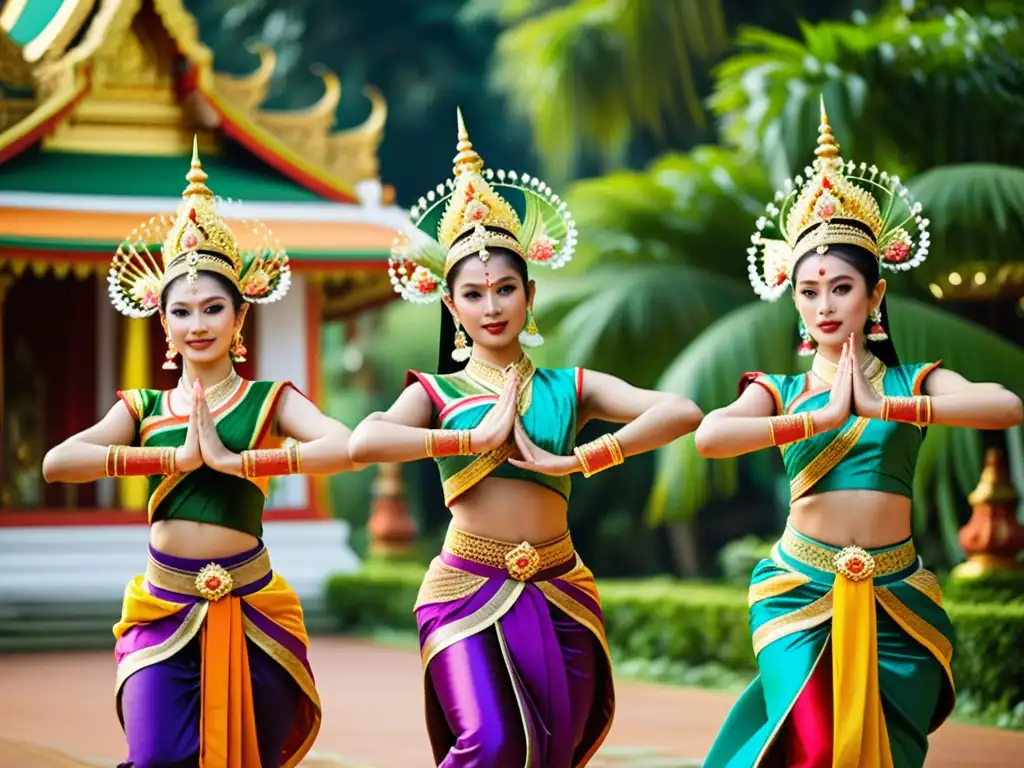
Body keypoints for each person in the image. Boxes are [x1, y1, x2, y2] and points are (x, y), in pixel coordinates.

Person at [348, 110, 703, 767]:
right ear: (452, 308)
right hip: (463, 585)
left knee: (553, 752)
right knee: (492, 743)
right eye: (474, 294)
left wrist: (584, 455)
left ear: (529, 294)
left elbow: (681, 410)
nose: (492, 306)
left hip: (560, 583)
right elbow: (363, 442)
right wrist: (466, 440)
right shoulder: (434, 392)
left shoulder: (571, 386)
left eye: (505, 289)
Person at [697, 99, 1024, 767]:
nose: (824, 305)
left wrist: (885, 409)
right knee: (815, 747)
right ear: (793, 298)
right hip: (798, 590)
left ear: (874, 296)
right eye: (809, 290)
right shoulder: (778, 391)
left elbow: (1006, 404)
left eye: (841, 288)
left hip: (898, 595)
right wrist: (815, 419)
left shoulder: (913, 384)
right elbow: (709, 436)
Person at [42, 141, 360, 768]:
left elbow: (346, 447)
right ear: (162, 322)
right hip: (163, 605)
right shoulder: (142, 408)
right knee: (158, 757)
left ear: (240, 315)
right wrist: (171, 461)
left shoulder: (270, 399)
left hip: (252, 603)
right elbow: (58, 462)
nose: (198, 324)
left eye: (213, 308)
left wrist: (239, 462)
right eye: (181, 311)